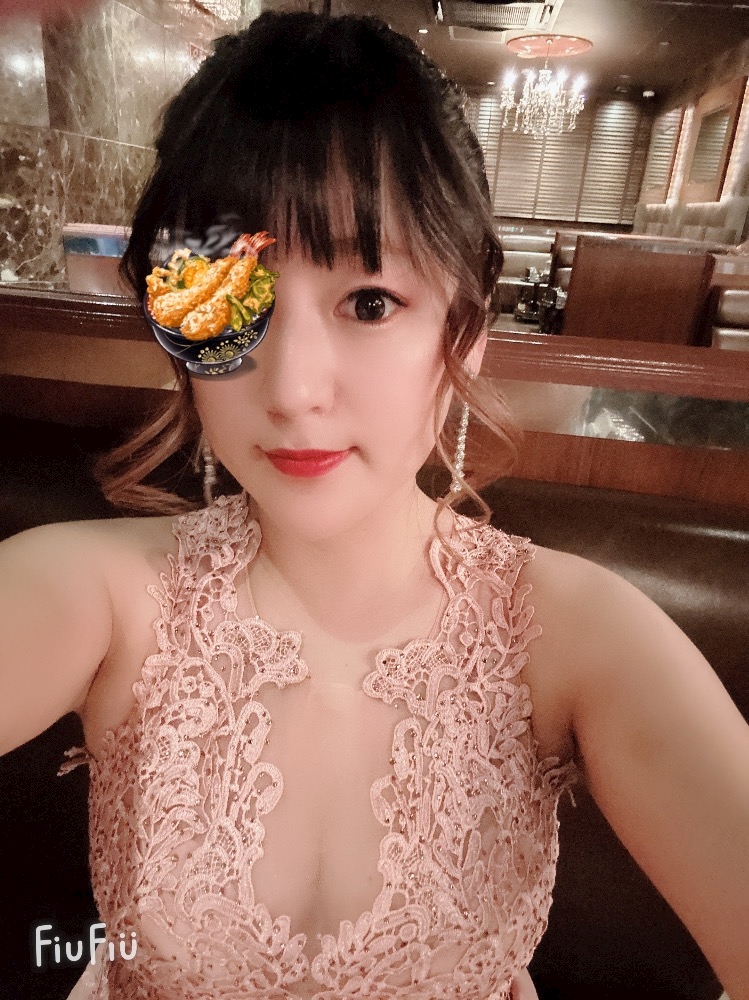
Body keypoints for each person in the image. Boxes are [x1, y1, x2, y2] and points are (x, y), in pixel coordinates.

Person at [1, 11, 748, 1000]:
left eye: (368, 302)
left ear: (465, 328)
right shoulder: (95, 592)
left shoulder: (579, 635)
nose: (291, 389)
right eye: (227, 300)